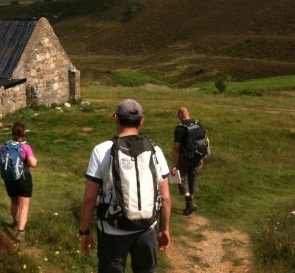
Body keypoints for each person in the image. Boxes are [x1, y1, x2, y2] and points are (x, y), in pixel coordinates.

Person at [80, 99, 171, 273]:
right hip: (147, 227)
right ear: (142, 121)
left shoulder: (101, 150)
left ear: (116, 119)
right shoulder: (155, 150)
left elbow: (90, 198)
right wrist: (164, 228)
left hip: (112, 230)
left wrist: (84, 232)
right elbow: (165, 196)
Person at [0, 122, 37, 243]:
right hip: (23, 179)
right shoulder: (25, 147)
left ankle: (15, 223)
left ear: (12, 132)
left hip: (9, 179)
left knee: (14, 202)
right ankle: (21, 232)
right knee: (24, 206)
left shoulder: (5, 146)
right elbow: (33, 163)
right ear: (23, 133)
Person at [171, 107, 204, 216]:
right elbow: (201, 143)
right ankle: (189, 205)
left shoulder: (180, 128)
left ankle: (189, 202)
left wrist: (175, 165)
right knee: (194, 177)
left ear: (180, 115)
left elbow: (176, 148)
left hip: (185, 157)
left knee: (181, 178)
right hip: (197, 156)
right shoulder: (198, 124)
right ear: (188, 113)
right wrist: (201, 158)